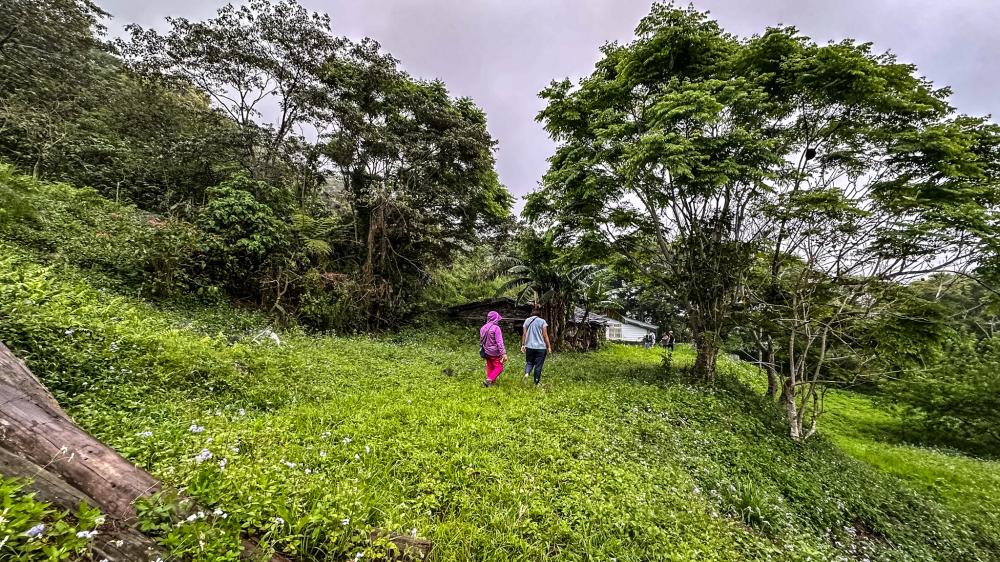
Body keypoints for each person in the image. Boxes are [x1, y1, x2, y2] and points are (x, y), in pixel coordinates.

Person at [521, 305, 552, 386]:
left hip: (529, 346)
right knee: (538, 365)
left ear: (532, 313)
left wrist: (523, 345)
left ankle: (527, 373)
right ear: (539, 314)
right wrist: (548, 346)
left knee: (529, 362)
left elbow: (524, 334)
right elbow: (545, 335)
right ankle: (536, 382)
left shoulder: (527, 320)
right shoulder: (542, 321)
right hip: (541, 348)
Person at [479, 311, 507, 387]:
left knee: (490, 366)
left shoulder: (483, 328)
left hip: (486, 351)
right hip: (494, 352)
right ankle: (489, 379)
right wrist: (503, 353)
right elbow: (499, 342)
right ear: (495, 319)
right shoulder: (496, 328)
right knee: (499, 367)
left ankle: (489, 383)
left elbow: (481, 341)